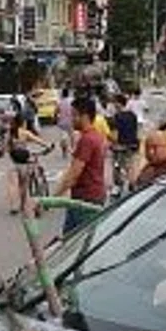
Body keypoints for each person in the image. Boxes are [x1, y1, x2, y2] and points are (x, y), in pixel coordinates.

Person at [55, 97, 111, 235]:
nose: (71, 119)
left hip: (85, 199)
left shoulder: (87, 140)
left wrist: (53, 198)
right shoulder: (96, 136)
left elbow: (73, 174)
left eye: (74, 115)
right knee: (77, 239)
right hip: (92, 196)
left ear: (85, 116)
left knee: (73, 242)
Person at [5, 111, 50, 213]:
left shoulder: (10, 133)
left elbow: (6, 148)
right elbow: (39, 141)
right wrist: (48, 146)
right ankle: (22, 204)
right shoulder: (25, 133)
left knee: (12, 184)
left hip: (13, 162)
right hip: (24, 162)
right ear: (23, 122)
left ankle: (13, 207)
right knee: (24, 184)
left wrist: (12, 149)